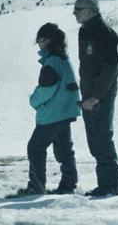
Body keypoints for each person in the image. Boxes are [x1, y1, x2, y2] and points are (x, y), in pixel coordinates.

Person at [17, 23, 80, 196]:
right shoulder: (63, 59)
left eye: (41, 40)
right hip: (66, 112)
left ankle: (36, 186)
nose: (39, 44)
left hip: (52, 114)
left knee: (35, 147)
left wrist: (33, 100)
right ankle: (68, 184)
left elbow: (46, 89)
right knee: (64, 149)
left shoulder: (51, 63)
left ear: (49, 41)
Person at [74, 0, 118, 197]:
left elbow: (110, 68)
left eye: (78, 9)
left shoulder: (105, 33)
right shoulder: (84, 31)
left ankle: (111, 185)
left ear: (90, 10)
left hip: (100, 95)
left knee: (102, 137)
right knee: (94, 139)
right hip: (88, 95)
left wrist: (95, 96)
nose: (75, 13)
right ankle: (105, 183)